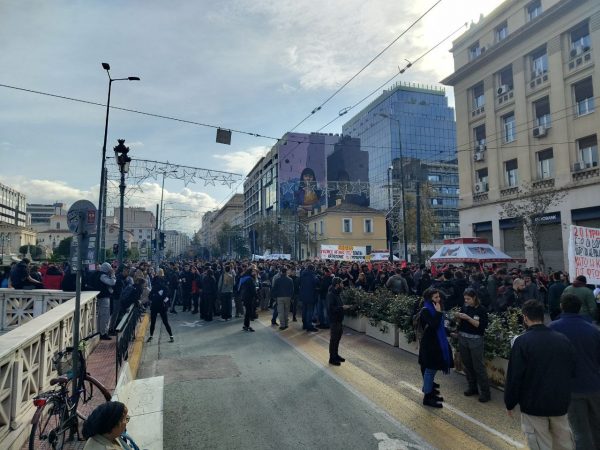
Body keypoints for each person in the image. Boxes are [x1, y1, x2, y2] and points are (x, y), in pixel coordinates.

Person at [504, 300, 576, 450]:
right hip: (560, 403)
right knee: (564, 444)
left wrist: (510, 402)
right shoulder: (562, 339)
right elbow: (572, 370)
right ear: (542, 316)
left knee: (540, 445)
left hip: (533, 405)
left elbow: (515, 375)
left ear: (525, 317)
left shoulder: (522, 342)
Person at [549, 294, 600, 449]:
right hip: (595, 385)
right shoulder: (594, 330)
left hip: (571, 388)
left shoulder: (552, 329)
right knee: (597, 426)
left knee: (580, 431)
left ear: (562, 306)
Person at [417, 288, 454, 408]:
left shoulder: (435, 309)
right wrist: (438, 312)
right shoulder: (426, 310)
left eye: (439, 297)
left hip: (437, 344)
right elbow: (433, 325)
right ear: (429, 299)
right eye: (436, 297)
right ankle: (427, 397)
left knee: (431, 371)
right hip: (429, 346)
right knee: (429, 371)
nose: (439, 299)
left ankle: (431, 393)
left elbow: (441, 326)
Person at [456, 288, 491, 402]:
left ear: (474, 297)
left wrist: (468, 318)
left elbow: (480, 326)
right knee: (467, 365)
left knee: (478, 366)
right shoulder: (465, 307)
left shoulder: (481, 309)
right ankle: (472, 387)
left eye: (468, 299)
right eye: (465, 299)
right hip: (463, 338)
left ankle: (485, 392)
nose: (466, 301)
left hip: (475, 340)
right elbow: (460, 323)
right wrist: (458, 318)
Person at [327, 277, 352, 366]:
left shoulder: (337, 293)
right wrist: (342, 307)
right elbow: (331, 308)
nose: (342, 285)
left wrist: (343, 307)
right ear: (337, 285)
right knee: (333, 339)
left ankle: (336, 355)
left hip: (339, 320)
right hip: (334, 320)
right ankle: (332, 358)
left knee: (337, 338)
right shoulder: (331, 294)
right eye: (341, 283)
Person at [146, 269, 174, 343]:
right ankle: (171, 336)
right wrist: (164, 301)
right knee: (164, 322)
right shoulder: (163, 286)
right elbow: (168, 296)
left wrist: (156, 298)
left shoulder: (158, 285)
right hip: (161, 305)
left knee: (156, 322)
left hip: (157, 305)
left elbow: (150, 296)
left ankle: (152, 336)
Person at [93, 263, 117, 341]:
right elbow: (112, 282)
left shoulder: (100, 274)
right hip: (104, 297)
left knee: (101, 315)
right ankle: (103, 333)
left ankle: (100, 332)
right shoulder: (103, 276)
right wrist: (113, 275)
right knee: (105, 316)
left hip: (102, 297)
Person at [299, 264, 319, 332]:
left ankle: (304, 324)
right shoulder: (313, 276)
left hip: (303, 296)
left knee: (304, 310)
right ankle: (309, 326)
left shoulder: (302, 274)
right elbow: (316, 283)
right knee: (310, 311)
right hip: (311, 296)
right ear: (313, 269)